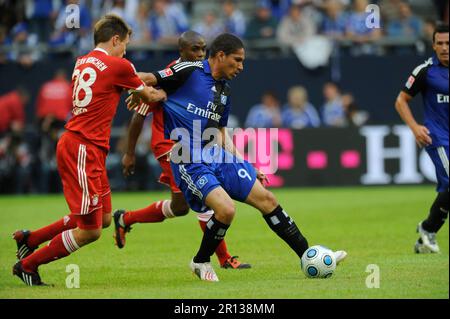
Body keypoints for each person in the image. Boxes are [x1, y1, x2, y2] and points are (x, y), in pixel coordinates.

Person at [129, 33, 347, 282]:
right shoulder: (189, 69)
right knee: (225, 210)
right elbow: (149, 79)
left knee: (267, 199)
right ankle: (200, 262)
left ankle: (308, 254)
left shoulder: (224, 91)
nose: (241, 67)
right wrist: (136, 88)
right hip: (186, 155)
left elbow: (221, 133)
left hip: (215, 153)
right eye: (238, 60)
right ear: (220, 55)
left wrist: (247, 164)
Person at [12, 14, 167, 286]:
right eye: (125, 45)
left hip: (87, 147)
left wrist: (130, 91)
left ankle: (31, 239)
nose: (126, 51)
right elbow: (151, 96)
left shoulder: (81, 61)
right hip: (82, 148)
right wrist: (165, 91)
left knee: (104, 218)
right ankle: (27, 265)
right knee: (91, 231)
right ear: (115, 39)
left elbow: (108, 90)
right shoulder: (119, 65)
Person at [114, 31, 251, 270]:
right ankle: (223, 258)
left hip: (194, 143)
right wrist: (130, 152)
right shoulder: (173, 73)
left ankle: (125, 218)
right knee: (207, 194)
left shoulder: (203, 75)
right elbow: (139, 115)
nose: (200, 54)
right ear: (182, 51)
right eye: (195, 50)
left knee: (179, 207)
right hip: (170, 144)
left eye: (202, 49)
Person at [395, 24, 449, 254]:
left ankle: (427, 232)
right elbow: (401, 100)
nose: (445, 48)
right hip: (437, 137)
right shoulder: (426, 71)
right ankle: (428, 230)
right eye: (441, 43)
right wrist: (415, 127)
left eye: (449, 43)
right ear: (433, 45)